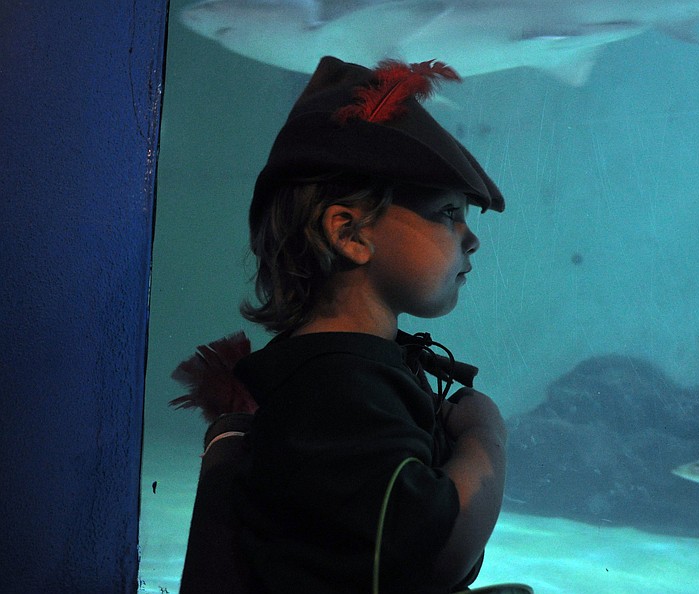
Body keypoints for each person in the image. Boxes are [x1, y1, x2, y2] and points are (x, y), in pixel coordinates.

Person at [178, 55, 508, 594]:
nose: (470, 239)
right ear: (351, 232)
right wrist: (485, 433)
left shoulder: (339, 371)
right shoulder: (337, 388)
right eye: (449, 212)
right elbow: (431, 551)